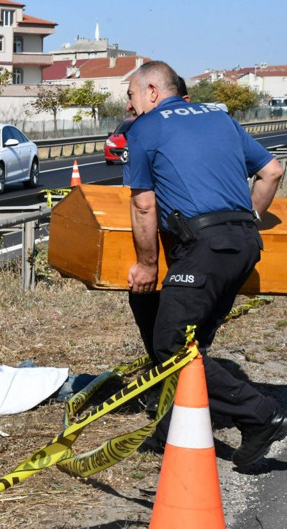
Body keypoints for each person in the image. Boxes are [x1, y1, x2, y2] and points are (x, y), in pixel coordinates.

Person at [123, 60, 285, 467]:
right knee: (181, 332)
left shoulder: (146, 128)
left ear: (153, 91)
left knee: (173, 344)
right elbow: (272, 170)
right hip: (244, 243)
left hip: (203, 248)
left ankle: (261, 414)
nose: (130, 106)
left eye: (131, 95)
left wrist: (146, 265)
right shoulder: (220, 118)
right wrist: (246, 219)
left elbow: (144, 205)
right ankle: (172, 428)